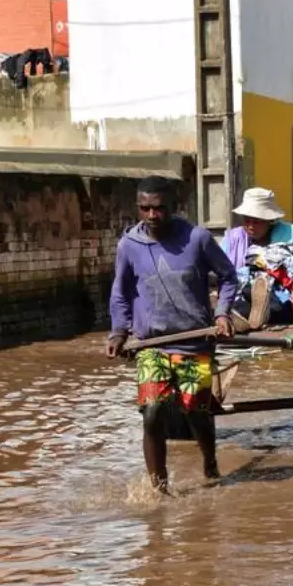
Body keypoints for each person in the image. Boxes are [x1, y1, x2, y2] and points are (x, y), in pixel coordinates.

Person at [107, 174, 238, 493]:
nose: (152, 216)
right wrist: (118, 332)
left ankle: (209, 461)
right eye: (145, 209)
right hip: (152, 344)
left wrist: (221, 313)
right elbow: (120, 293)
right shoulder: (129, 245)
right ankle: (158, 489)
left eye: (159, 208)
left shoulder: (197, 239)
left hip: (195, 342)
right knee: (151, 411)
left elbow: (228, 277)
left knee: (196, 410)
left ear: (173, 206)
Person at [221, 188, 293, 328]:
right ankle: (243, 318)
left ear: (270, 220)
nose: (250, 226)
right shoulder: (232, 240)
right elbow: (220, 272)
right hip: (240, 296)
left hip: (279, 302)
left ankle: (254, 314)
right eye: (246, 220)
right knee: (239, 299)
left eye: (256, 221)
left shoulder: (287, 239)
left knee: (275, 306)